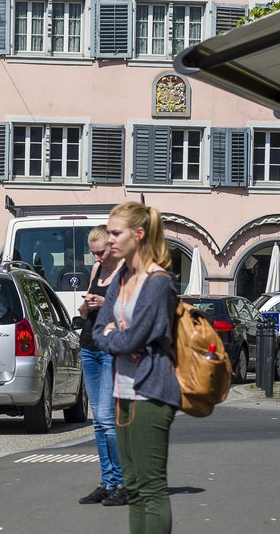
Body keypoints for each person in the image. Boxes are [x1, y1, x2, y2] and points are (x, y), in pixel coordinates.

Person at [93, 201, 182, 534]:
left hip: (152, 393)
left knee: (151, 487)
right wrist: (115, 335)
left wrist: (116, 336)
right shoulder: (123, 277)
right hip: (122, 391)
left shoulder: (158, 283)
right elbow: (100, 328)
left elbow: (132, 338)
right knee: (132, 486)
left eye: (116, 233)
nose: (110, 239)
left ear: (139, 234)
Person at [77, 224, 126, 507]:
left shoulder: (125, 274)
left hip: (110, 350)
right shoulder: (97, 271)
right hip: (89, 346)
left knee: (108, 419)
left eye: (100, 253)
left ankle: (122, 482)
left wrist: (105, 302)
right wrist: (87, 305)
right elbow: (84, 312)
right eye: (93, 254)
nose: (96, 259)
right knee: (98, 421)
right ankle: (107, 481)